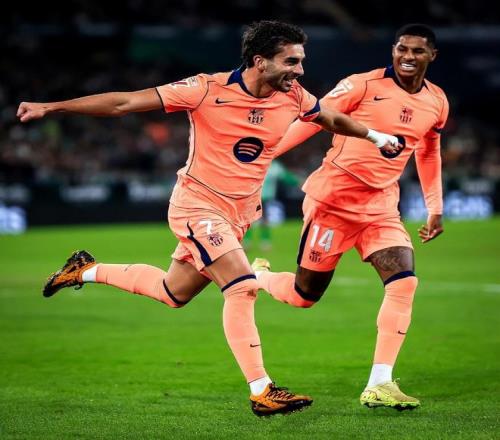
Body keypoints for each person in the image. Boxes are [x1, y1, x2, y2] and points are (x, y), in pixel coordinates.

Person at [17, 20, 399, 416]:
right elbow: (124, 103)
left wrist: (375, 137)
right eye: (291, 61)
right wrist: (52, 107)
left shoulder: (294, 96)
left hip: (239, 214)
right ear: (260, 61)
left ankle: (84, 270)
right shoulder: (205, 89)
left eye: (301, 61)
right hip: (197, 206)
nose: (300, 71)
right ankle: (262, 390)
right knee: (242, 286)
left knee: (173, 292)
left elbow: (331, 119)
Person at [252, 23, 448, 411]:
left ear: (432, 56)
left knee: (404, 282)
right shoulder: (362, 84)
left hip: (381, 208)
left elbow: (428, 151)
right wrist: (264, 156)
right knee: (304, 297)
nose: (408, 57)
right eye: (402, 48)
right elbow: (312, 117)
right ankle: (258, 277)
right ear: (393, 50)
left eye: (417, 51)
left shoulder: (437, 101)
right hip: (333, 203)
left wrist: (435, 207)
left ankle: (380, 383)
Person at [243, 160, 299, 251]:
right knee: (254, 220)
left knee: (259, 221)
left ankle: (253, 242)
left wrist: (296, 181)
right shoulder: (272, 166)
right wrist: (297, 182)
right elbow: (286, 177)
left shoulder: (271, 166)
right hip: (255, 197)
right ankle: (258, 242)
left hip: (262, 198)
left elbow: (286, 177)